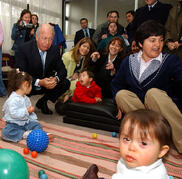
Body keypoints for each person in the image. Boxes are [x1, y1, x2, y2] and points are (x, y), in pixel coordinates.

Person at [111, 20, 182, 153]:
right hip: (142, 114)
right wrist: (118, 102)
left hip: (164, 112)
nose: (158, 45)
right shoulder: (128, 61)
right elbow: (116, 83)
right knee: (121, 94)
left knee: (152, 93)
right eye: (153, 40)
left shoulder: (170, 60)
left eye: (161, 40)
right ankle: (151, 137)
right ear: (140, 43)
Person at [15, 24, 70, 115]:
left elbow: (63, 71)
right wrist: (39, 82)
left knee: (65, 82)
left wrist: (55, 79)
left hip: (47, 84)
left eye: (51, 39)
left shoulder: (55, 50)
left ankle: (43, 101)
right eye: (44, 38)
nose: (47, 42)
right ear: (37, 37)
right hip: (29, 83)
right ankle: (20, 105)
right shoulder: (24, 49)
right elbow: (21, 73)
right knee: (19, 84)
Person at [112, 109, 171, 178]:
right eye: (127, 139)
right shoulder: (125, 161)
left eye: (143, 143)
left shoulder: (156, 175)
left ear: (161, 151)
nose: (131, 148)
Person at [2, 69, 43, 142]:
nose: (31, 88)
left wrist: (33, 118)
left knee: (38, 125)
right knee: (6, 133)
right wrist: (27, 111)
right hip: (14, 123)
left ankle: (30, 133)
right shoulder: (13, 99)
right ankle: (23, 134)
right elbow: (14, 114)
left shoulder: (26, 98)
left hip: (25, 122)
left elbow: (30, 115)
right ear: (26, 84)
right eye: (31, 85)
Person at [62, 37, 96, 102]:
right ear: (79, 46)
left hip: (76, 82)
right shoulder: (67, 56)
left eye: (88, 48)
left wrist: (78, 73)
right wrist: (71, 78)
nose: (85, 49)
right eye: (84, 46)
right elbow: (61, 74)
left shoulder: (85, 58)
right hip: (65, 82)